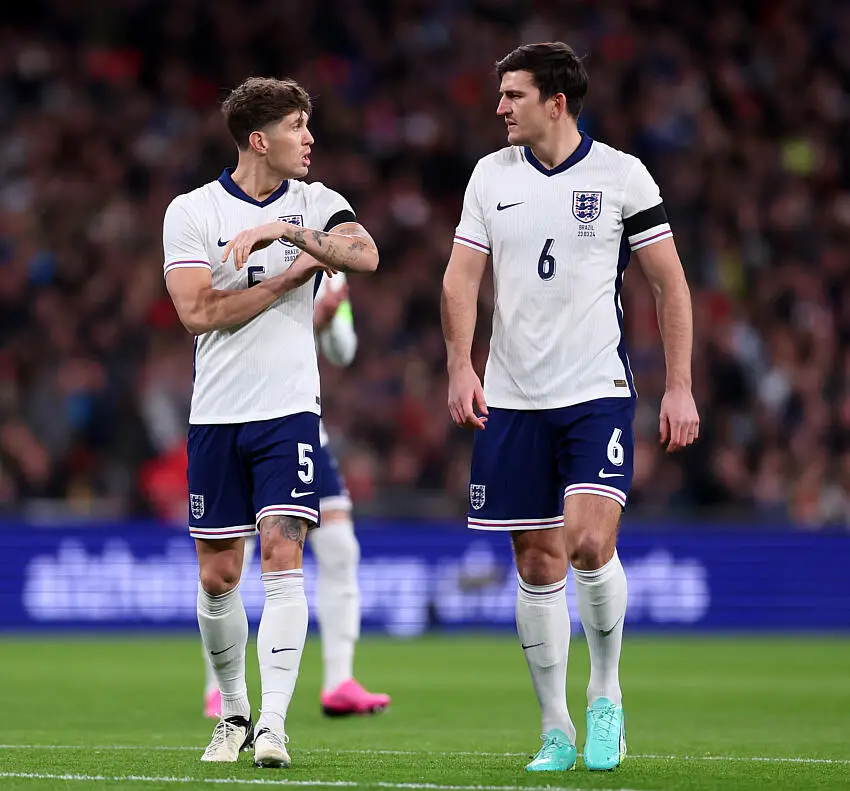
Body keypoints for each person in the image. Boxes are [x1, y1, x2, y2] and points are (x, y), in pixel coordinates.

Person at [441, 43, 698, 772]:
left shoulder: (622, 175)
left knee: (587, 542)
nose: (500, 107)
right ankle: (555, 729)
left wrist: (679, 384)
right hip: (513, 397)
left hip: (595, 392)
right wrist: (460, 365)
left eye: (513, 95)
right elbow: (460, 279)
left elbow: (669, 285)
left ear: (556, 103)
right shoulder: (490, 176)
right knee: (536, 560)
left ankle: (605, 694)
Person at [163, 76, 378, 769]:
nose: (309, 138)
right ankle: (233, 712)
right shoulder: (192, 211)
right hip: (216, 414)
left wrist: (285, 232)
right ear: (259, 140)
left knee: (284, 559)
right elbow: (197, 313)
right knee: (219, 575)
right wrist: (289, 278)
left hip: (289, 413)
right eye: (296, 126)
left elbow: (365, 255)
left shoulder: (317, 202)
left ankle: (273, 725)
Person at [201, 273, 391, 719]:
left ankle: (339, 681)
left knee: (340, 547)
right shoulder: (233, 249)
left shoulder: (331, 264)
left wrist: (326, 321)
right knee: (232, 557)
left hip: (298, 421)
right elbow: (215, 321)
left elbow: (343, 350)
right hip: (236, 414)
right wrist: (308, 317)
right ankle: (220, 688)